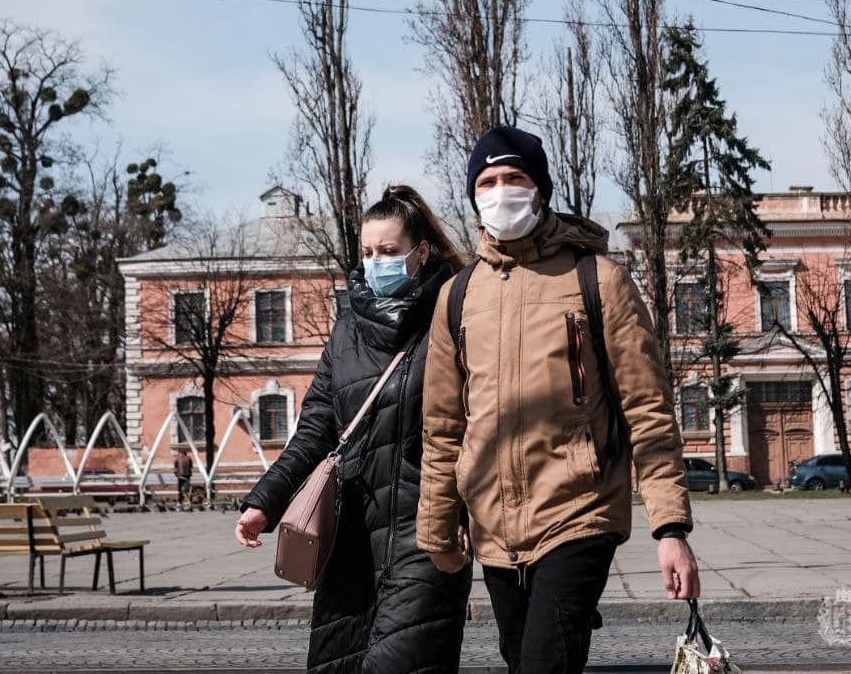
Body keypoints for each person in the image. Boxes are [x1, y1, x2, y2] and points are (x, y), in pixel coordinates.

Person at [417, 126, 701, 673]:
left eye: (514, 178)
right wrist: (436, 529)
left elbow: (648, 410)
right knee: (522, 660)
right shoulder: (458, 295)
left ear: (540, 188)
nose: (502, 191)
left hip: (579, 512)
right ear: (475, 195)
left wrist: (670, 531)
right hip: (494, 528)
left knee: (546, 661)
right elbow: (443, 425)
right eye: (489, 181)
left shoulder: (599, 279)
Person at [235, 185, 472, 674]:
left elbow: (478, 425)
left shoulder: (454, 319)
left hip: (426, 534)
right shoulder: (346, 331)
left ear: (421, 252)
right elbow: (316, 430)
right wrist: (265, 502)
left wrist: (466, 515)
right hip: (349, 542)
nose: (375, 261)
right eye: (367, 252)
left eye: (388, 251)